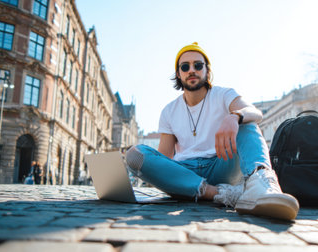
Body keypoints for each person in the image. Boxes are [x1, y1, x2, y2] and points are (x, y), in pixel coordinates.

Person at [126, 42, 299, 220]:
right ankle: (220, 193)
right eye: (185, 67)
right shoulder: (169, 111)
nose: (191, 70)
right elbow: (164, 156)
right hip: (186, 171)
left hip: (221, 163)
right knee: (134, 154)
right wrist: (150, 167)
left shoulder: (223, 94)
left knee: (247, 122)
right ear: (178, 74)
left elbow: (256, 113)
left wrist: (234, 117)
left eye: (198, 65)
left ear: (206, 70)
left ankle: (262, 186)